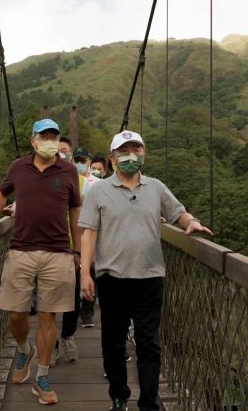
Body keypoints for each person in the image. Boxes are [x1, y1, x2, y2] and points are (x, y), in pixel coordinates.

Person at [78, 130, 213, 411]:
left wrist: (192, 222)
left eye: (136, 149)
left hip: (150, 276)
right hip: (112, 278)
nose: (132, 155)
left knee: (149, 343)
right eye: (125, 151)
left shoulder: (156, 187)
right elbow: (88, 234)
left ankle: (149, 403)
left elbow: (178, 213)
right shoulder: (99, 190)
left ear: (144, 154)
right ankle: (119, 395)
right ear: (113, 158)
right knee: (113, 343)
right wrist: (85, 274)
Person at [0, 119, 81, 405]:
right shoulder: (18, 167)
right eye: (44, 136)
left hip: (58, 252)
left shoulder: (69, 170)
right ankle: (24, 348)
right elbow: (1, 193)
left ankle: (42, 376)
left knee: (49, 317)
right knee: (15, 314)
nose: (50, 141)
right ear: (33, 141)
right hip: (21, 250)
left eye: (54, 136)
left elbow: (75, 211)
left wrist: (77, 253)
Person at [50, 135, 83, 367]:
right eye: (57, 150)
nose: (61, 154)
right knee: (49, 300)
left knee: (73, 298)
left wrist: (80, 251)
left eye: (65, 151)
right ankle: (50, 345)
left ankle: (67, 337)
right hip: (49, 248)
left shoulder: (85, 181)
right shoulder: (43, 177)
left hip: (75, 247)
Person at [79, 152, 108, 328]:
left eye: (100, 169)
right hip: (83, 234)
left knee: (99, 275)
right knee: (86, 272)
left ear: (105, 171)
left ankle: (91, 313)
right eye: (94, 168)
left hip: (102, 239)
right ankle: (84, 312)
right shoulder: (81, 183)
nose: (96, 171)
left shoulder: (109, 187)